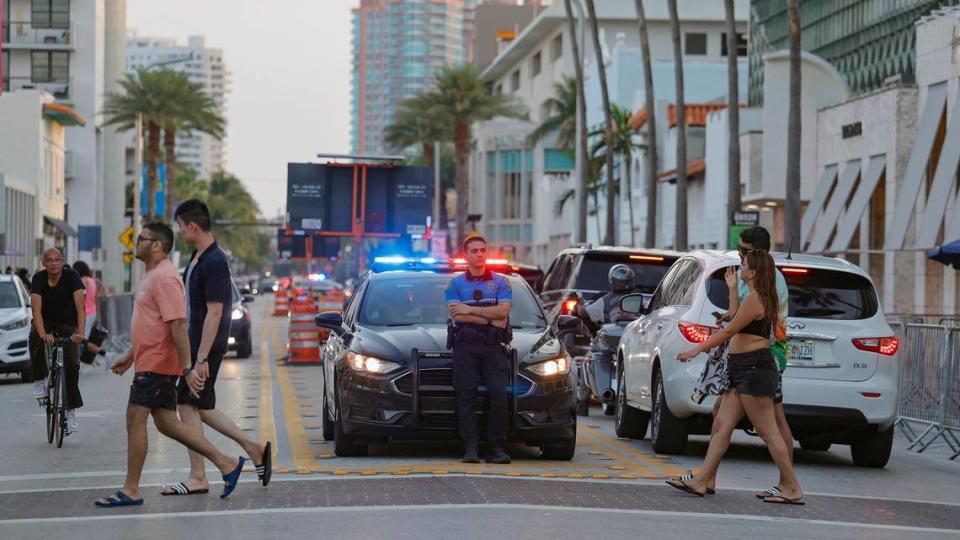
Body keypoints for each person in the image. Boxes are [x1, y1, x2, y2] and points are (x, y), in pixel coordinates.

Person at [95, 223, 245, 508]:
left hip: (158, 365)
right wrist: (130, 356)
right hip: (150, 362)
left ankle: (131, 489)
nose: (136, 243)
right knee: (167, 424)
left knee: (134, 418)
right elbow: (150, 325)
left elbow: (177, 324)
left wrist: (187, 368)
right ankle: (227, 463)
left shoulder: (164, 278)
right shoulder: (153, 276)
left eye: (141, 239)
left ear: (157, 245)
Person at [668, 249, 804, 505]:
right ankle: (701, 480)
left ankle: (792, 487)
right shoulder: (757, 297)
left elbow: (730, 330)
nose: (740, 269)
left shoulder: (758, 298)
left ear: (753, 272)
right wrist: (732, 288)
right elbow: (735, 316)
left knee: (768, 431)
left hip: (754, 369)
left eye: (743, 265)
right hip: (741, 368)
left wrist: (696, 349)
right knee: (721, 424)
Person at [164, 199, 271, 496]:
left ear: (193, 226)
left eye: (181, 226)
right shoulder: (198, 257)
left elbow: (215, 311)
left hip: (204, 348)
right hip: (197, 346)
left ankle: (199, 475)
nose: (180, 231)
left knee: (186, 404)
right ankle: (254, 448)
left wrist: (200, 358)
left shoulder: (214, 261)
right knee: (199, 406)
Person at [445, 233, 514, 464]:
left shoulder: (502, 282)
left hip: (494, 346)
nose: (479, 254)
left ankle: (495, 449)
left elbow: (503, 316)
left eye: (482, 250)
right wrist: (487, 315)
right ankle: (471, 448)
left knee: (498, 396)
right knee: (466, 397)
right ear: (465, 255)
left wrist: (470, 311)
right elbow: (456, 313)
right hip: (465, 347)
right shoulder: (455, 284)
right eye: (474, 251)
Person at [29, 248, 86, 431]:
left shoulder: (72, 277)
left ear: (63, 262)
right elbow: (36, 310)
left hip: (67, 323)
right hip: (45, 320)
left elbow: (80, 307)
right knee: (35, 339)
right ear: (43, 262)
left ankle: (70, 412)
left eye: (57, 260)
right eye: (49, 260)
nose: (54, 263)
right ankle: (39, 380)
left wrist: (80, 333)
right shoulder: (38, 278)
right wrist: (42, 333)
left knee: (71, 364)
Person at [577, 264, 638, 332]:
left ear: (612, 280)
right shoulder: (640, 299)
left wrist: (578, 305)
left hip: (611, 339)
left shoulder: (604, 301)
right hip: (632, 338)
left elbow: (583, 313)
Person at [73, 261, 104, 358]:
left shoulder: (83, 281)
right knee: (82, 339)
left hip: (84, 313)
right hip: (92, 312)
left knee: (81, 339)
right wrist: (98, 314)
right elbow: (96, 298)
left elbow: (82, 297)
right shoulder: (92, 280)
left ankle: (105, 354)